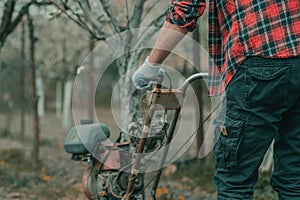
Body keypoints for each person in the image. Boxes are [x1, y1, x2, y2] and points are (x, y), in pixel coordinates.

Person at [132, 0, 300, 199]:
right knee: (294, 175)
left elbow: (186, 7)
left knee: (235, 180)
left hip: (260, 61)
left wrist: (151, 64)